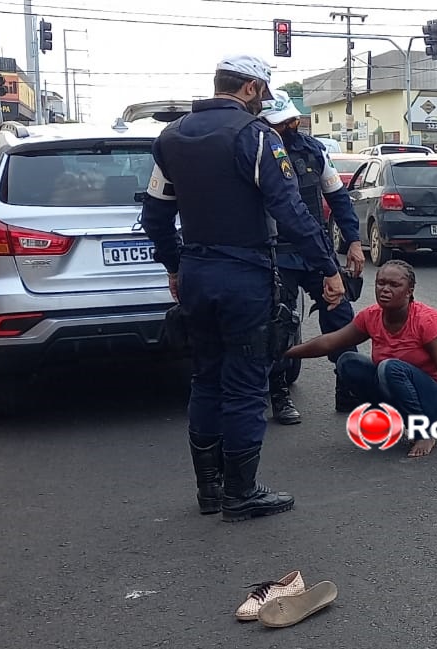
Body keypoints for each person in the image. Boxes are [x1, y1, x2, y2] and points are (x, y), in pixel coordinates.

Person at [140, 54, 346, 521]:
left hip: (195, 272)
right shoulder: (255, 138)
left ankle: (209, 491)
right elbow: (292, 212)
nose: (263, 104)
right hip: (244, 276)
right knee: (246, 383)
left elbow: (155, 215)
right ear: (250, 88)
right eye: (263, 95)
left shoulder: (170, 138)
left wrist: (175, 266)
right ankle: (240, 491)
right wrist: (327, 270)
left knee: (206, 378)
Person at [285, 259, 437, 458]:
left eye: (394, 285)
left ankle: (425, 433)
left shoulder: (427, 320)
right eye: (381, 283)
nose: (385, 289)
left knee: (390, 367)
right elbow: (330, 342)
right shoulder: (371, 316)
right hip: (400, 392)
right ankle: (391, 420)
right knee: (348, 362)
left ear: (409, 291)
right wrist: (285, 352)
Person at [256, 89, 366, 425]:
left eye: (289, 120)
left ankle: (348, 386)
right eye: (278, 122)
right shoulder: (254, 151)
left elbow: (338, 197)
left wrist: (353, 241)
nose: (288, 126)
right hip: (276, 253)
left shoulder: (313, 151)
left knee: (342, 317)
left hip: (315, 252)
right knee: (280, 322)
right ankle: (279, 393)